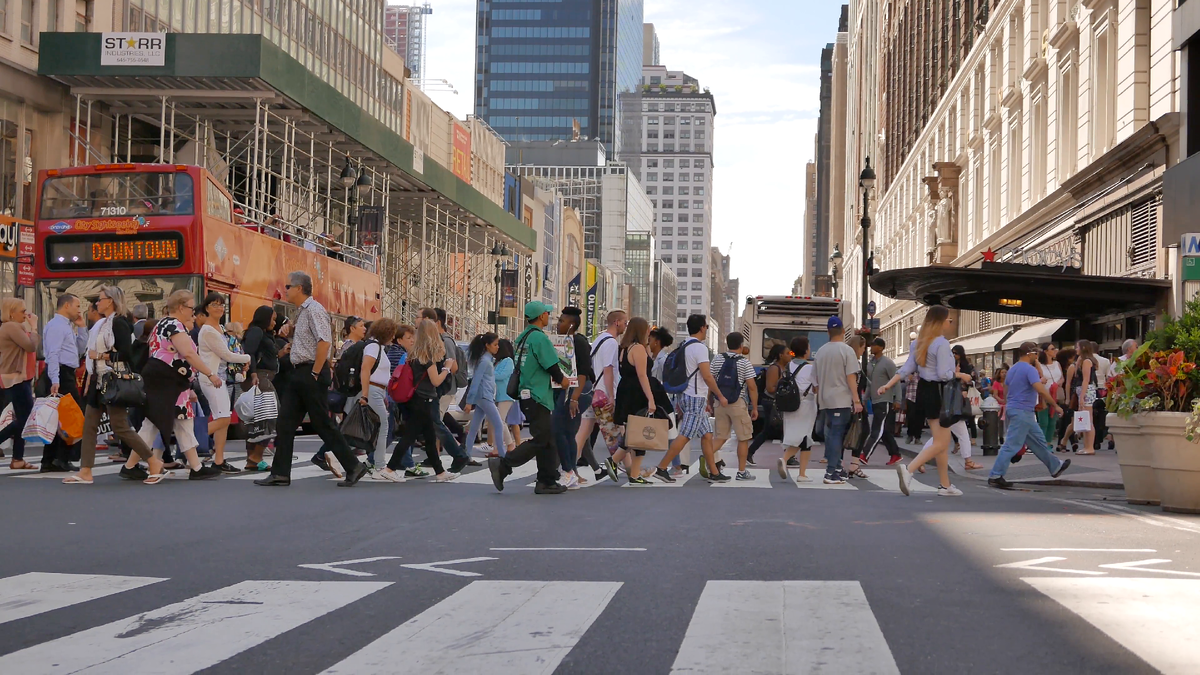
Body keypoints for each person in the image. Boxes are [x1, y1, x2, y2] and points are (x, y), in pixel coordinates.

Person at [255, 272, 368, 487]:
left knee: (322, 423)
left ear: (299, 288)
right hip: (301, 371)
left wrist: (315, 372)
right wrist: (291, 331)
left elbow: (324, 342)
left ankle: (353, 466)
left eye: (288, 286)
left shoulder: (314, 310)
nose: (285, 289)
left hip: (310, 371)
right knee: (286, 422)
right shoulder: (303, 312)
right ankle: (280, 473)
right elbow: (309, 338)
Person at [120, 290, 224, 484]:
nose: (193, 313)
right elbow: (188, 354)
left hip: (168, 382)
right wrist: (210, 373)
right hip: (169, 382)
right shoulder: (174, 325)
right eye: (191, 308)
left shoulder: (162, 324)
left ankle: (195, 467)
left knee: (176, 421)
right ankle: (131, 466)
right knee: (156, 423)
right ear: (181, 307)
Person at [64, 287, 157, 484]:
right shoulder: (103, 324)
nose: (97, 303)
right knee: (89, 425)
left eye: (100, 299)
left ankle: (152, 460)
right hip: (99, 379)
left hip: (113, 379)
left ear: (111, 301)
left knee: (120, 426)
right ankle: (86, 470)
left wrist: (99, 356)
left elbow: (126, 354)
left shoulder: (119, 323)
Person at [878, 305, 971, 497]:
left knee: (940, 441)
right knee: (942, 442)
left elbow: (906, 369)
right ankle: (910, 469)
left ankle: (945, 485)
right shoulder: (942, 344)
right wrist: (961, 375)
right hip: (938, 391)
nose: (950, 322)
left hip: (924, 391)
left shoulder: (919, 343)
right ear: (940, 321)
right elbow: (944, 374)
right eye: (948, 319)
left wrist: (888, 385)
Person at [487, 301, 570, 494]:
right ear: (541, 317)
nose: (549, 317)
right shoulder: (539, 339)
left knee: (548, 439)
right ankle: (504, 465)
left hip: (527, 393)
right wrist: (563, 381)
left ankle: (546, 481)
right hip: (537, 394)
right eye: (547, 314)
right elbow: (551, 366)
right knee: (542, 438)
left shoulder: (522, 338)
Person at [654, 314, 730, 482]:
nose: (707, 330)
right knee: (685, 435)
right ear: (702, 327)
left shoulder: (685, 345)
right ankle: (661, 468)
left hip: (687, 395)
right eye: (707, 327)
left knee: (707, 435)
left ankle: (714, 473)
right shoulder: (699, 348)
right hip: (695, 397)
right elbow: (707, 376)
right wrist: (720, 395)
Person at [987, 342, 1071, 487]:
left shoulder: (1012, 369)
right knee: (1011, 444)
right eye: (1036, 354)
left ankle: (1055, 466)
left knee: (1039, 442)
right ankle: (996, 475)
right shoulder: (1029, 369)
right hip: (1023, 411)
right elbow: (1041, 389)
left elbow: (1006, 390)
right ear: (1029, 354)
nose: (1037, 356)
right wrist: (1055, 405)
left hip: (1015, 409)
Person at [194, 293, 252, 473]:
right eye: (214, 305)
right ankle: (189, 442)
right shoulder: (208, 330)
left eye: (221, 305)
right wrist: (247, 357)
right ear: (206, 308)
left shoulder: (218, 327)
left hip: (221, 378)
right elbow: (226, 354)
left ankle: (219, 460)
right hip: (211, 379)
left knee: (224, 419)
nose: (219, 308)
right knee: (224, 419)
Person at [612, 317, 672, 484]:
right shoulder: (637, 348)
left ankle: (633, 474)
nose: (649, 332)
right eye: (646, 329)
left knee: (636, 433)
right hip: (637, 393)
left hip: (626, 391)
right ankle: (615, 462)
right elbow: (642, 375)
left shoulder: (624, 348)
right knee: (639, 433)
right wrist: (651, 399)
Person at [575, 310, 627, 481]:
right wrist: (612, 396)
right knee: (617, 434)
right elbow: (608, 369)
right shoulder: (611, 343)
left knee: (583, 434)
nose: (626, 325)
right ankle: (633, 472)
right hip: (603, 395)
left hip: (592, 392)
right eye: (624, 322)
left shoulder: (599, 339)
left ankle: (568, 471)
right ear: (617, 322)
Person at [40, 293, 89, 472]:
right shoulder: (57, 326)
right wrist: (55, 379)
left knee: (58, 417)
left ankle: (50, 460)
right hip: (60, 373)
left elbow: (79, 350)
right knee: (73, 415)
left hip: (66, 373)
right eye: (77, 306)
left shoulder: (66, 326)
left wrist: (82, 328)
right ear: (66, 306)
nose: (79, 310)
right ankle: (61, 457)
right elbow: (53, 354)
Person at [810, 316, 863, 485]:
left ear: (828, 332)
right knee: (836, 435)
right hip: (841, 399)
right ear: (843, 331)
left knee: (833, 434)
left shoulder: (820, 352)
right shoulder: (847, 351)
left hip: (825, 400)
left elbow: (814, 381)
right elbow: (851, 377)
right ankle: (831, 472)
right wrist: (856, 400)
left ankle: (837, 468)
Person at [550, 308, 593, 488]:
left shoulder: (579, 342)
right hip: (565, 388)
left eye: (562, 321)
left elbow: (583, 372)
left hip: (578, 390)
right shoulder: (562, 341)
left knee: (558, 429)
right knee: (568, 432)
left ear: (572, 325)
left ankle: (567, 470)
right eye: (559, 320)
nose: (558, 324)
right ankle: (572, 472)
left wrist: (574, 398)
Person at [709, 332, 759, 481]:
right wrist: (754, 407)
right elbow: (752, 387)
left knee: (720, 437)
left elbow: (710, 381)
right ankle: (742, 471)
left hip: (720, 402)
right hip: (738, 403)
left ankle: (707, 457)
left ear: (727, 344)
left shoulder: (717, 359)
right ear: (741, 345)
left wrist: (710, 401)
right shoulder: (744, 362)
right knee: (743, 438)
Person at [0, 298, 39, 470]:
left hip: (18, 377)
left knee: (23, 418)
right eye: (22, 311)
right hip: (14, 377)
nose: (26, 314)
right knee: (25, 418)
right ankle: (17, 457)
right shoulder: (11, 327)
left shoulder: (16, 327)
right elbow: (31, 346)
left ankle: (18, 458)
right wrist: (35, 327)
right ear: (11, 313)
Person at [429, 308, 470, 470]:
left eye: (420, 318)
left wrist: (443, 371)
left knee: (436, 423)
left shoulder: (445, 341)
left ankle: (458, 453)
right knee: (433, 423)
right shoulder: (438, 340)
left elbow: (453, 366)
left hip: (443, 388)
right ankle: (436, 455)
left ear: (436, 322)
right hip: (438, 388)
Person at [354, 318, 397, 473]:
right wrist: (365, 394)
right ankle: (379, 466)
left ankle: (332, 453)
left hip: (376, 391)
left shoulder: (376, 346)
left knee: (370, 427)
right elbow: (365, 369)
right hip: (372, 390)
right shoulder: (373, 347)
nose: (393, 337)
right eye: (392, 333)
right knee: (382, 426)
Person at [240, 306, 279, 472]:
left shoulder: (261, 332)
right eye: (273, 319)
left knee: (257, 418)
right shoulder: (256, 331)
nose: (275, 322)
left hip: (262, 376)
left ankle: (253, 459)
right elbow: (250, 353)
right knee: (268, 415)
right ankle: (256, 456)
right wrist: (254, 373)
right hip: (260, 378)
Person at [776, 336, 819, 482]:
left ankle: (802, 474)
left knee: (803, 437)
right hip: (806, 405)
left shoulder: (788, 366)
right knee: (804, 436)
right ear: (806, 350)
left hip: (790, 405)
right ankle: (785, 459)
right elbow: (816, 388)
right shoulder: (810, 368)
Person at [462, 332, 510, 461]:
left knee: (474, 427)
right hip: (485, 397)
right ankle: (502, 455)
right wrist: (469, 401)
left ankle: (466, 454)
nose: (497, 347)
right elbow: (476, 381)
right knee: (498, 425)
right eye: (495, 344)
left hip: (485, 396)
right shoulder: (484, 361)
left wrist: (471, 400)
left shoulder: (486, 360)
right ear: (487, 345)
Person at [863, 338, 904, 466]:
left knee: (876, 429)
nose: (871, 347)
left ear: (881, 347)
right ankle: (895, 454)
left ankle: (864, 455)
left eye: (874, 345)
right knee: (885, 430)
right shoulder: (870, 364)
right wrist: (864, 399)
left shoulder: (888, 363)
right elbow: (870, 384)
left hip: (885, 400)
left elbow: (896, 381)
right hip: (874, 400)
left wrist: (898, 399)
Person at [746, 343, 787, 465]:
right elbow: (770, 388)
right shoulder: (774, 368)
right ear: (780, 355)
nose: (790, 356)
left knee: (779, 429)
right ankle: (749, 452)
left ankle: (789, 455)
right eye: (787, 353)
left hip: (777, 402)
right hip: (771, 402)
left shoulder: (783, 367)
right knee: (769, 430)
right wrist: (783, 387)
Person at [1063, 341, 1099, 455]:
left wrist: (1082, 397)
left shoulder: (1087, 361)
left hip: (1086, 390)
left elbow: (1086, 379)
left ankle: (1089, 447)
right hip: (1082, 390)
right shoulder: (1082, 361)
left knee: (1088, 419)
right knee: (1086, 419)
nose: (1076, 348)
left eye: (1077, 347)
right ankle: (1087, 446)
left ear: (1083, 348)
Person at [494, 339, 520, 453]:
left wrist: (489, 373)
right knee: (497, 421)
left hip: (506, 395)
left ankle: (510, 444)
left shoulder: (508, 361)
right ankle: (497, 447)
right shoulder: (498, 361)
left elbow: (501, 375)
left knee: (500, 421)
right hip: (498, 395)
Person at [1036, 343, 1063, 444]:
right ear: (1045, 352)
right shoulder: (1039, 365)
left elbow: (1062, 378)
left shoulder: (1057, 364)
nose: (1055, 350)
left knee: (1052, 422)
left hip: (1055, 394)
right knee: (1044, 422)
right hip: (1043, 395)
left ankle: (1048, 443)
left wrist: (1058, 383)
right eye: (1052, 349)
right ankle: (1041, 443)